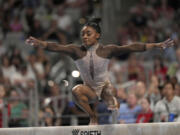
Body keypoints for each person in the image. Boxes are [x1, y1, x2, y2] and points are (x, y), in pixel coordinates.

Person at [26, 18, 174, 125]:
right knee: (75, 90)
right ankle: (93, 116)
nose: (84, 36)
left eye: (88, 33)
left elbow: (131, 47)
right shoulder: (76, 51)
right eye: (83, 34)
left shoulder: (106, 50)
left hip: (104, 88)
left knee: (109, 91)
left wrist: (156, 45)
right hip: (89, 90)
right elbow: (57, 47)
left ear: (97, 35)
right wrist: (41, 43)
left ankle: (113, 103)